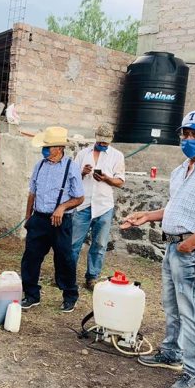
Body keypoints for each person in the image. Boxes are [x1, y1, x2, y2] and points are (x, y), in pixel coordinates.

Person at [121, 110, 195, 388]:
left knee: (192, 311)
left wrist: (188, 245)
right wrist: (148, 216)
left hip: (194, 250)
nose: (188, 140)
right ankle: (171, 353)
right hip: (175, 245)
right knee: (172, 306)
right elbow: (178, 209)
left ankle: (193, 374)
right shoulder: (181, 169)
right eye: (185, 134)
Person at [20, 126, 84, 313]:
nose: (45, 150)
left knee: (64, 258)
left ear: (59, 148)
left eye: (48, 147)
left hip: (60, 222)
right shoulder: (39, 165)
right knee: (31, 257)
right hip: (38, 219)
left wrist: (62, 207)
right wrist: (28, 217)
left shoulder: (71, 167)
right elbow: (32, 193)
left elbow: (79, 197)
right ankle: (31, 294)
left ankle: (69, 296)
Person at [71, 124, 125, 290]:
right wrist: (83, 172)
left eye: (106, 143)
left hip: (104, 205)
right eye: (100, 142)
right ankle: (66, 276)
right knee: (73, 244)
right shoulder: (82, 154)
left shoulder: (117, 156)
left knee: (100, 245)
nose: (103, 145)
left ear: (110, 141)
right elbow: (72, 178)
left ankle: (92, 277)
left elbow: (120, 181)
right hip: (83, 204)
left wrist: (106, 178)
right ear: (96, 138)